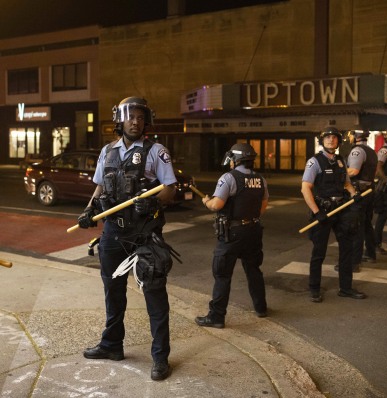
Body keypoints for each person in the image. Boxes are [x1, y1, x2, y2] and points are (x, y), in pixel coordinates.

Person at [77, 97, 177, 381]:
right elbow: (99, 186)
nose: (135, 121)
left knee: (154, 296)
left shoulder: (156, 151)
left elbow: (170, 189)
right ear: (119, 120)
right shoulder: (107, 151)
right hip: (112, 233)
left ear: (146, 121)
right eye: (130, 116)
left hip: (145, 234)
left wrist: (155, 202)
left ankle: (160, 358)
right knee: (113, 292)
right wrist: (88, 211)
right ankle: (111, 345)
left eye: (140, 117)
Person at [195, 143, 269, 328]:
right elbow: (262, 207)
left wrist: (206, 201)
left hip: (232, 233)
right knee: (254, 270)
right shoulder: (260, 179)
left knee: (222, 275)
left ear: (235, 160)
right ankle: (261, 308)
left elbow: (216, 205)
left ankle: (217, 317)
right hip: (253, 230)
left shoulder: (229, 177)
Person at [301, 127, 366, 303]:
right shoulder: (314, 162)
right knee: (318, 252)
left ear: (338, 141)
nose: (331, 140)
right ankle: (314, 288)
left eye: (334, 138)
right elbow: (305, 188)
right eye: (327, 138)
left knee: (346, 250)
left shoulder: (340, 161)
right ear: (322, 141)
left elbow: (346, 183)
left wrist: (354, 194)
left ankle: (346, 288)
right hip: (323, 211)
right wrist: (317, 212)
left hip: (341, 209)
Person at [346, 127, 378, 262]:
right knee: (366, 224)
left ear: (356, 136)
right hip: (369, 191)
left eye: (351, 135)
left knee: (356, 225)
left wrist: (337, 173)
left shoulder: (357, 151)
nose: (349, 137)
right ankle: (371, 253)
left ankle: (354, 261)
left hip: (359, 192)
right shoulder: (371, 151)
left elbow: (353, 171)